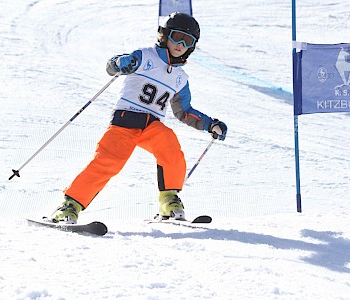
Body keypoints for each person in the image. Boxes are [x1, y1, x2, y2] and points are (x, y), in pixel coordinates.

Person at [50, 12, 227, 224]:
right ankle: (69, 206)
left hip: (151, 126)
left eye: (187, 41)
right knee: (109, 161)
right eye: (177, 37)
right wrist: (119, 63)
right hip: (125, 121)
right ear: (165, 35)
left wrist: (210, 124)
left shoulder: (181, 78)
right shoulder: (146, 56)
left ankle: (169, 201)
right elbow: (113, 65)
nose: (181, 44)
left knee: (171, 148)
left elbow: (184, 111)